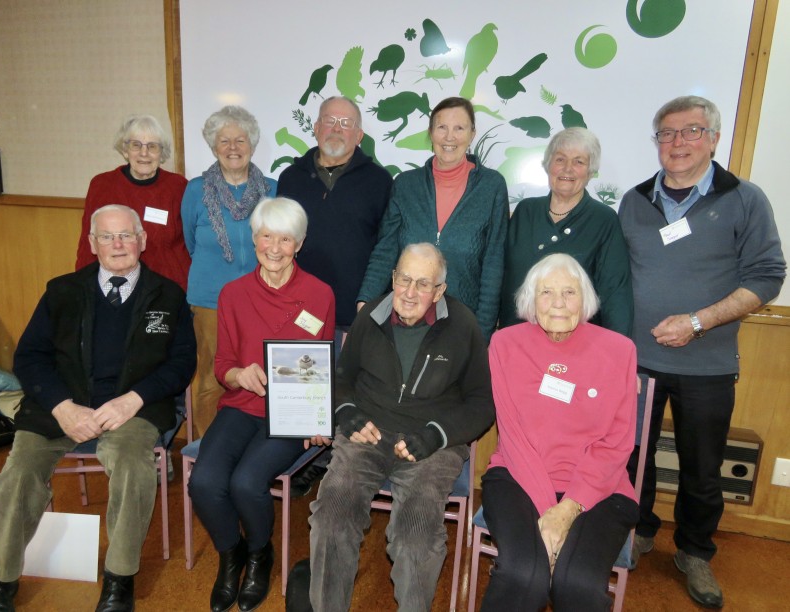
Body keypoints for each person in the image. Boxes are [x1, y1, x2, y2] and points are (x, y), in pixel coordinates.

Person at [618, 95, 786, 609]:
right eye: (667, 134)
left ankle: (694, 551)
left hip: (708, 364)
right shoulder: (634, 200)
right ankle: (639, 532)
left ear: (713, 138)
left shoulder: (745, 199)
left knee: (702, 467)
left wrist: (697, 322)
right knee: (632, 459)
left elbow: (767, 277)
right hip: (637, 361)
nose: (678, 143)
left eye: (691, 131)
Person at [0, 205, 196, 612]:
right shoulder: (61, 291)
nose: (118, 244)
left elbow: (181, 364)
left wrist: (132, 399)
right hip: (59, 407)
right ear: (92, 244)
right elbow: (29, 358)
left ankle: (119, 579)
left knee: (134, 468)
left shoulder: (168, 295)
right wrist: (63, 407)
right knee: (16, 475)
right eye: (107, 236)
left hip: (134, 408)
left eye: (126, 235)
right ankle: (1, 579)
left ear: (143, 240)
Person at [309, 243, 495, 612]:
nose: (409, 293)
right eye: (403, 279)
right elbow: (342, 377)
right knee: (330, 517)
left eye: (422, 284)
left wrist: (435, 435)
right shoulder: (371, 316)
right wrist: (347, 412)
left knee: (416, 539)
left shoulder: (463, 325)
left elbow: (481, 403)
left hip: (432, 445)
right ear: (393, 277)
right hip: (367, 436)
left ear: (439, 290)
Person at [188, 197, 335, 612]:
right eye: (266, 236)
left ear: (299, 244)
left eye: (285, 238)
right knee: (204, 482)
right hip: (240, 405)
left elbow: (322, 363)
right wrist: (239, 375)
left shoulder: (319, 294)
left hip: (291, 412)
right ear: (254, 240)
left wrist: (317, 418)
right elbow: (222, 365)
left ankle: (259, 554)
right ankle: (230, 554)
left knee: (247, 483)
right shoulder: (233, 294)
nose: (274, 247)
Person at [482, 253, 639, 611]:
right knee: (524, 572)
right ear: (530, 300)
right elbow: (515, 439)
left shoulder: (620, 351)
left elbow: (617, 444)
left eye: (569, 292)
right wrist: (547, 518)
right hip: (516, 477)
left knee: (578, 581)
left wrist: (565, 511)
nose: (557, 303)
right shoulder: (505, 345)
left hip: (603, 486)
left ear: (585, 299)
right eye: (546, 292)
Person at [277, 95, 393, 496]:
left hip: (351, 309)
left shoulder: (380, 182)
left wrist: (369, 299)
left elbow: (385, 247)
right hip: (297, 310)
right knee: (306, 385)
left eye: (346, 123)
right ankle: (304, 456)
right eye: (330, 121)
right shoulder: (290, 178)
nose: (337, 129)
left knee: (343, 390)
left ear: (360, 134)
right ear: (315, 127)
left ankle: (334, 466)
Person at [357, 97, 508, 341]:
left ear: (472, 134)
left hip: (462, 325)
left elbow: (493, 264)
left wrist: (482, 332)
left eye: (459, 128)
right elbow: (386, 249)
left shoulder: (492, 187)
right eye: (442, 127)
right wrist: (364, 302)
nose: (450, 137)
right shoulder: (406, 185)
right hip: (406, 320)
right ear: (431, 133)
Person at [181, 105, 276, 438]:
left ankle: (251, 442)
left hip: (261, 298)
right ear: (213, 146)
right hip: (209, 299)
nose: (233, 147)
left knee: (257, 372)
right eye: (224, 141)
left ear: (252, 144)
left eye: (240, 139)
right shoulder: (195, 190)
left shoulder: (272, 189)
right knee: (210, 376)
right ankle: (207, 446)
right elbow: (190, 241)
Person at [498, 127, 632, 336]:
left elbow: (615, 293)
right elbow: (501, 274)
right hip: (516, 338)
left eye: (579, 161)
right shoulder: (525, 211)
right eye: (560, 159)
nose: (567, 169)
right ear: (548, 165)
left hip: (576, 343)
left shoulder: (603, 219)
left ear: (590, 171)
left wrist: (619, 351)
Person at [75, 115, 190, 291]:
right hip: (116, 286)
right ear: (125, 150)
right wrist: (82, 287)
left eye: (152, 146)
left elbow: (189, 245)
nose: (144, 153)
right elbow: (87, 243)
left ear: (162, 153)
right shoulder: (102, 185)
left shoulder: (178, 186)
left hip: (167, 288)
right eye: (136, 145)